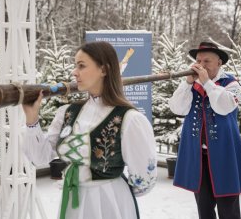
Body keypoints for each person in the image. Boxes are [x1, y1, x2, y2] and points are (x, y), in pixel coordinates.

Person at [22, 41, 157, 219]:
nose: (74, 72)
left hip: (109, 203)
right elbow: (39, 157)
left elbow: (144, 179)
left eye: (81, 66)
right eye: (75, 65)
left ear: (104, 70)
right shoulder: (68, 113)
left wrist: (110, 190)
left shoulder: (129, 119)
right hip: (73, 202)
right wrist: (32, 119)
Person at [169, 42, 241, 219]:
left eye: (207, 60)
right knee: (204, 209)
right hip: (199, 156)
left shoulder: (231, 84)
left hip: (225, 155)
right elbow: (177, 108)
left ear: (219, 63)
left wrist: (207, 82)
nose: (201, 64)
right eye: (198, 60)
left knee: (228, 209)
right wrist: (186, 84)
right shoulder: (190, 85)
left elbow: (223, 106)